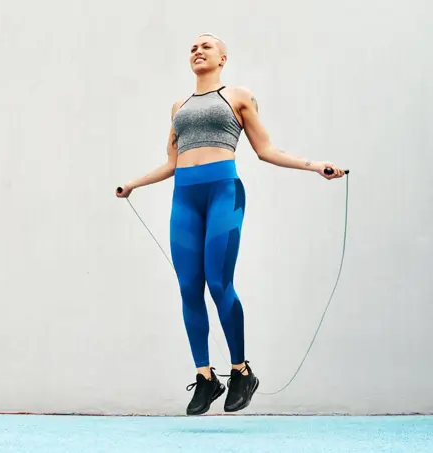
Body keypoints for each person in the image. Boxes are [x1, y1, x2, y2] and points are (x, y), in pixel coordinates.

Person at [115, 33, 346, 415]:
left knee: (219, 282)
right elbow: (171, 164)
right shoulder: (179, 107)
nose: (197, 51)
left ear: (223, 58)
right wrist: (133, 183)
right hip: (185, 199)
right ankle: (206, 378)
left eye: (206, 46)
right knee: (189, 286)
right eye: (192, 47)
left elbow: (266, 150)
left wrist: (314, 165)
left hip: (223, 191)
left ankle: (241, 370)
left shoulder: (238, 96)